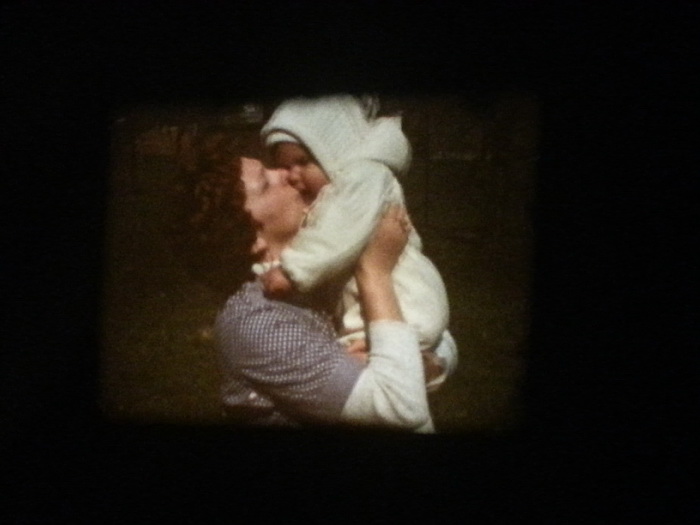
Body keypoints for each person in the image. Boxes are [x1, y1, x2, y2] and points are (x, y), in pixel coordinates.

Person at [177, 145, 445, 431]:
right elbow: (401, 409)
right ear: (252, 239)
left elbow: (438, 336)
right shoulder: (256, 321)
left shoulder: (320, 271)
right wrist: (376, 274)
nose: (284, 173)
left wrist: (421, 363)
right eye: (265, 183)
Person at [259, 94, 457, 390]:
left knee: (368, 363)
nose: (291, 176)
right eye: (284, 166)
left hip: (405, 299)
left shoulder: (364, 176)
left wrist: (293, 270)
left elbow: (335, 234)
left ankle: (391, 367)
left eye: (303, 162)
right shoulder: (338, 190)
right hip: (387, 307)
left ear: (336, 152)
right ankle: (407, 366)